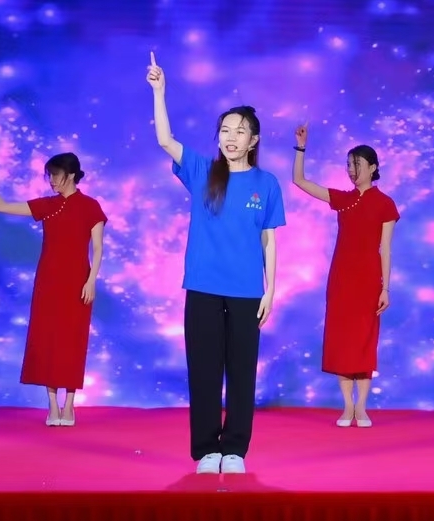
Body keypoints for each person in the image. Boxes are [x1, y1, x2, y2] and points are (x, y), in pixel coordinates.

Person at [146, 52, 283, 474]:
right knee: (204, 370)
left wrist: (271, 290)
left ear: (254, 140)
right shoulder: (203, 172)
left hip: (246, 291)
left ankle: (235, 450)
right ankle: (207, 449)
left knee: (241, 373)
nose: (231, 137)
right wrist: (159, 92)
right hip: (203, 286)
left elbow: (269, 239)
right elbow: (166, 141)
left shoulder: (266, 183)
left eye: (240, 132)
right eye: (225, 130)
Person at [0, 152, 106, 427]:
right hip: (48, 282)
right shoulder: (48, 205)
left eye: (55, 175)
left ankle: (69, 405)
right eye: (49, 176)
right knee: (48, 339)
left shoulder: (91, 206)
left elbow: (98, 248)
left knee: (72, 340)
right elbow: (2, 206)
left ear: (71, 175)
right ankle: (52, 405)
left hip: (78, 283)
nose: (51, 180)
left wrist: (91, 280)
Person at [291, 125, 399, 427]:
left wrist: (385, 288)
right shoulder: (343, 198)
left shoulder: (385, 204)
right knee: (342, 341)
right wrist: (301, 148)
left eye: (357, 164)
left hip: (369, 280)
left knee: (364, 341)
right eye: (349, 165)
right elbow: (299, 180)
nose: (352, 170)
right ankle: (347, 406)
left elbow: (385, 249)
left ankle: (362, 407)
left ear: (373, 167)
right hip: (341, 279)